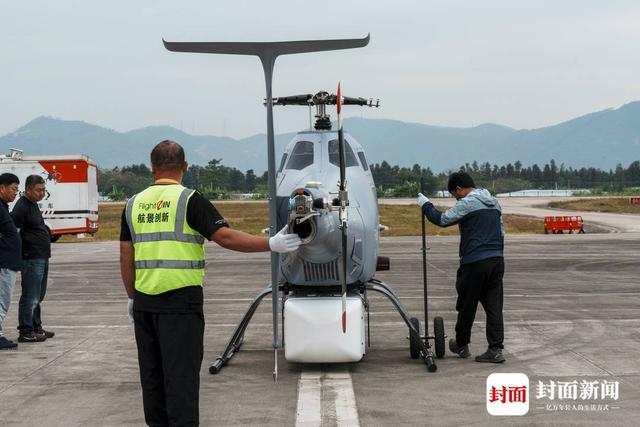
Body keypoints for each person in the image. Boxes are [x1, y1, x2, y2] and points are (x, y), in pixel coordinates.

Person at [120, 140, 301, 426]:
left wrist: (132, 296)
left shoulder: (133, 204)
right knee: (181, 380)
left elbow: (126, 255)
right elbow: (225, 237)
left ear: (152, 167)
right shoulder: (190, 200)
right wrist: (271, 243)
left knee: (152, 379)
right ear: (186, 167)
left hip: (145, 303)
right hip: (180, 304)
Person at [418, 171, 505, 363]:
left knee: (467, 304)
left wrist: (425, 205)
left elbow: (441, 220)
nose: (455, 198)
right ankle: (496, 349)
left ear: (459, 189)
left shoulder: (467, 203)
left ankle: (461, 344)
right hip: (497, 260)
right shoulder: (494, 202)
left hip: (475, 261)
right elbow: (501, 231)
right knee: (494, 306)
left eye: (454, 194)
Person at [11, 174, 54, 343]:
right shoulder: (22, 207)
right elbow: (14, 232)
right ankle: (26, 331)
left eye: (44, 190)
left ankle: (36, 327)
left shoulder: (33, 204)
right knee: (30, 295)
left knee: (38, 295)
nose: (42, 193)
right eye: (38, 190)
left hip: (41, 257)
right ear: (28, 190)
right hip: (31, 258)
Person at [0, 173, 22, 350]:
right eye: (13, 189)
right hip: (3, 264)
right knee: (1, 300)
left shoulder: (3, 207)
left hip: (8, 263)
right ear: (2, 188)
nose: (16, 193)